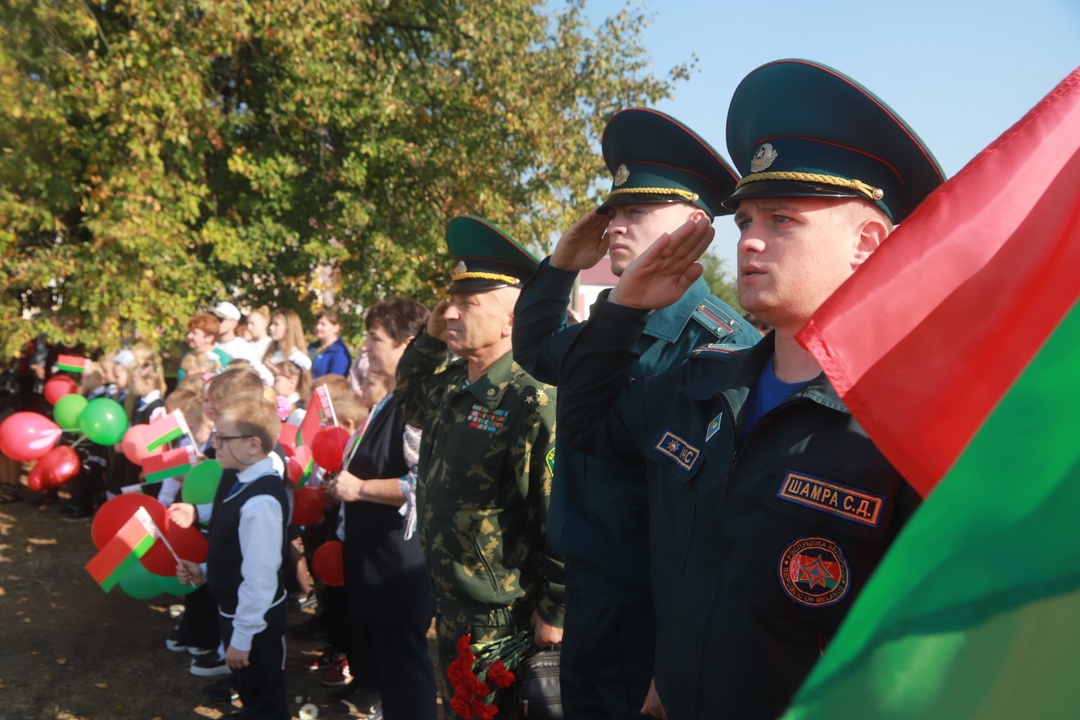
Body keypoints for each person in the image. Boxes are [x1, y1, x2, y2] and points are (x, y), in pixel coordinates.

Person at [555, 59, 946, 719]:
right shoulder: (703, 384)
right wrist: (622, 309)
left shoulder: (907, 422)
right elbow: (588, 425)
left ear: (868, 242)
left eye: (782, 221)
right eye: (745, 223)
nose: (751, 243)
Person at [512, 107, 762, 719]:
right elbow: (538, 350)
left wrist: (676, 656)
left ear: (696, 226)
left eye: (637, 212)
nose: (616, 226)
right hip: (591, 593)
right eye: (615, 211)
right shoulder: (609, 327)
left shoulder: (718, 343)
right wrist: (562, 263)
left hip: (657, 609)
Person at [395, 215, 564, 714]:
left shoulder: (532, 398)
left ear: (512, 319)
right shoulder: (451, 385)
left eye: (468, 305)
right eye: (451, 301)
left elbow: (559, 511)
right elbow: (407, 397)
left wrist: (556, 609)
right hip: (452, 601)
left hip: (504, 613)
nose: (450, 313)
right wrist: (427, 338)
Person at [325, 296, 436, 719]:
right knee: (392, 676)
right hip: (378, 562)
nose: (366, 347)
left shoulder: (415, 404)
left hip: (399, 567)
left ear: (407, 345)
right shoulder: (390, 399)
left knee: (406, 675)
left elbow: (424, 483)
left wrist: (361, 488)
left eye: (375, 338)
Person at [177, 395, 290, 720]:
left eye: (223, 438)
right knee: (252, 689)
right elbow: (238, 556)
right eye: (215, 436)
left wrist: (242, 638)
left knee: (266, 697)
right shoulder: (240, 481)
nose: (216, 446)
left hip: (255, 622)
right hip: (237, 613)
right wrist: (204, 571)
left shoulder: (260, 502)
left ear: (254, 444)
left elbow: (260, 577)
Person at [308, 308, 352, 379]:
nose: (318, 327)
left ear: (336, 328)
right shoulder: (312, 347)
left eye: (323, 324)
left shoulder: (340, 353)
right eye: (317, 323)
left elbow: (334, 384)